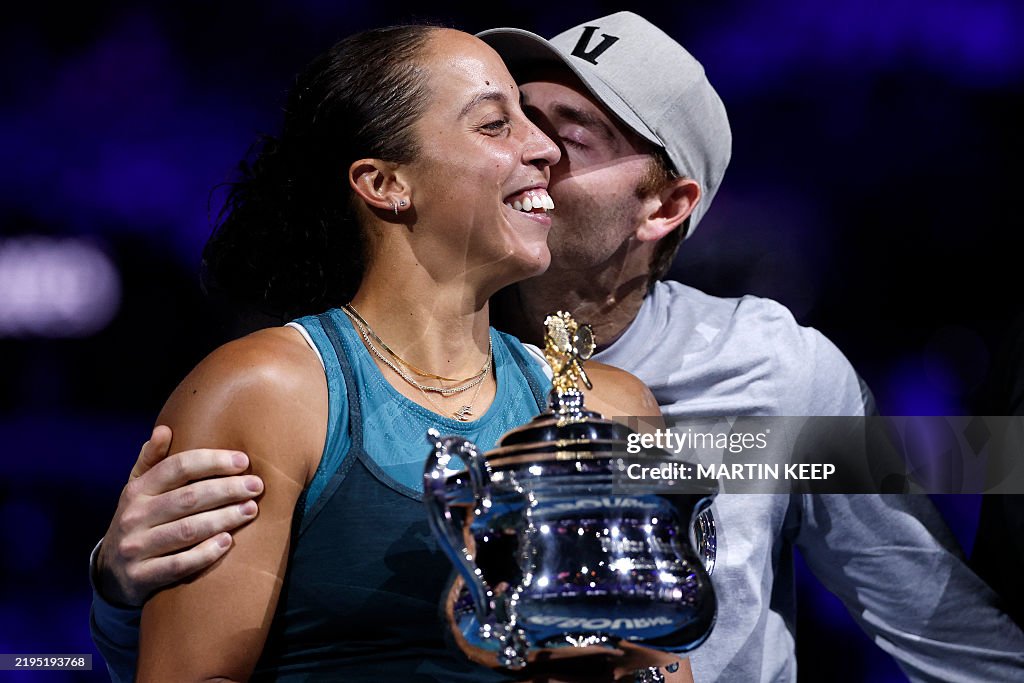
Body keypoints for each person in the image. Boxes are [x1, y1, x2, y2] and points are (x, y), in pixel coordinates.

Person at [92, 12, 1024, 682]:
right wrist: (118, 585)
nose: (534, 149)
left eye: (564, 134)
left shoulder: (771, 371)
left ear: (664, 207)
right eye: (505, 119)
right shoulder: (307, 377)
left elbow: (931, 598)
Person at [100, 23, 687, 683]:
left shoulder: (611, 405)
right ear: (385, 183)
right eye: (496, 124)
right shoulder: (266, 392)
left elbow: (658, 666)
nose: (546, 147)